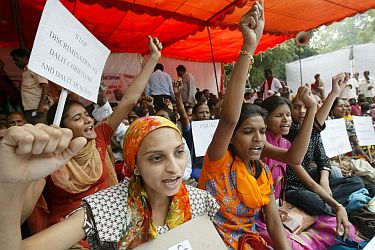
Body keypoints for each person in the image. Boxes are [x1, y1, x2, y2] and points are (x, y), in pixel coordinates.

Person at [0, 116, 219, 249]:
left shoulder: (199, 202)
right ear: (134, 165)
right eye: (156, 158)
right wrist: (10, 184)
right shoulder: (105, 208)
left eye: (179, 153)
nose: (174, 167)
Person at [31, 37, 162, 244]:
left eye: (86, 114)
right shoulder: (48, 158)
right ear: (62, 128)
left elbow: (128, 101)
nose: (88, 119)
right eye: (77, 118)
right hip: (70, 237)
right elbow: (32, 208)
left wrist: (153, 58)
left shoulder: (100, 138)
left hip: (111, 225)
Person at [199, 3, 291, 249]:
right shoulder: (217, 163)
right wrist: (249, 46)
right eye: (248, 131)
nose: (259, 139)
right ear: (231, 137)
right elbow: (229, 118)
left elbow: (273, 223)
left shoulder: (262, 172)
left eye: (262, 132)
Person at [10, 48, 50, 124]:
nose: (15, 63)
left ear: (25, 58)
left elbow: (46, 86)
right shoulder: (26, 71)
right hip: (30, 107)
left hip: (38, 108)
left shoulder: (35, 68)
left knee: (41, 131)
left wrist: (41, 106)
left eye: (16, 60)